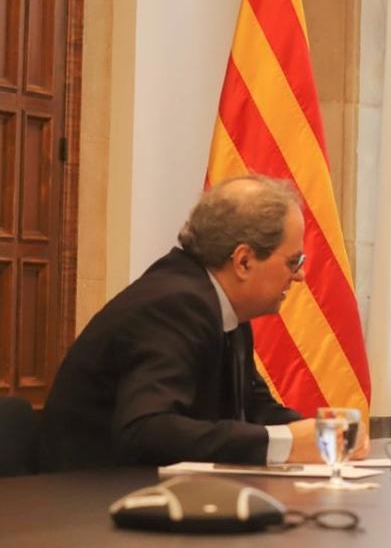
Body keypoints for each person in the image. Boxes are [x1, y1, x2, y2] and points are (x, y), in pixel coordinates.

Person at [40, 175, 367, 471]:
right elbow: (146, 430)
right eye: (293, 261)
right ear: (243, 261)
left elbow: (253, 407)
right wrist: (286, 445)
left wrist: (328, 437)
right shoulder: (175, 304)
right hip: (84, 508)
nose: (300, 275)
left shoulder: (221, 304)